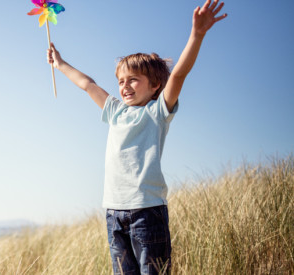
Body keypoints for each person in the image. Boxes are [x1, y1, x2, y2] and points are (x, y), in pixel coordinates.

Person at [46, 0, 227, 274]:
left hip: (147, 211)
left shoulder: (156, 112)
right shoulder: (115, 111)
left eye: (133, 79)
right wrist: (60, 64)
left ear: (155, 85)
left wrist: (197, 35)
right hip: (113, 213)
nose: (124, 86)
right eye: (120, 81)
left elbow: (178, 75)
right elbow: (88, 85)